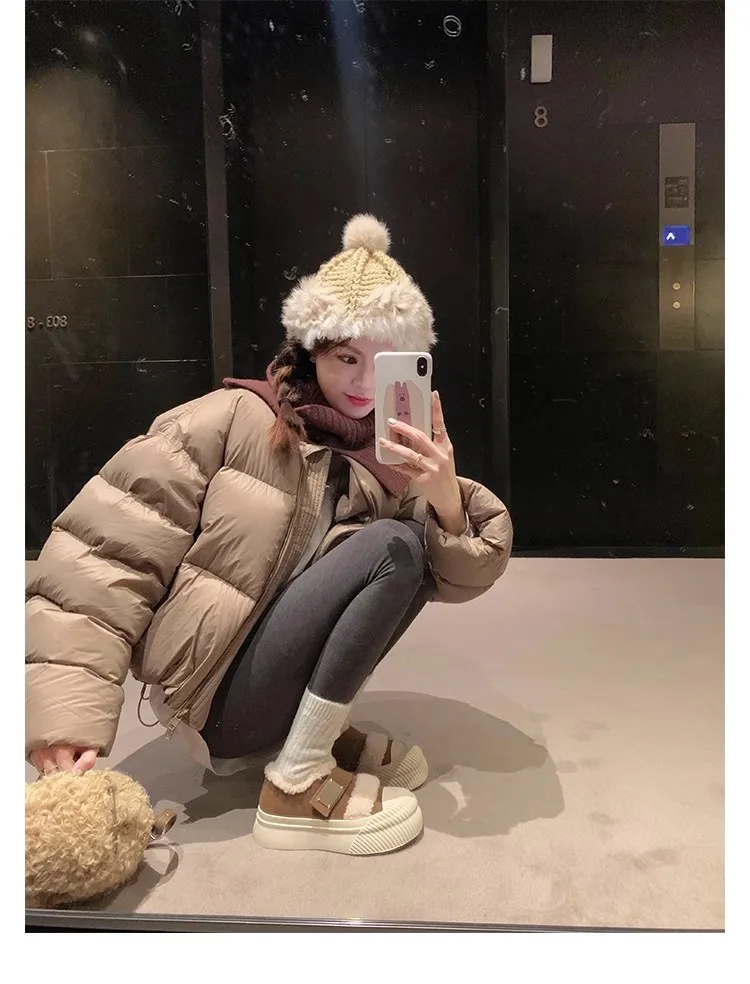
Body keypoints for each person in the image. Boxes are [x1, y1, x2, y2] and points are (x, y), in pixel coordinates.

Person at [26, 215, 513, 856]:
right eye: (346, 358)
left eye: (384, 365)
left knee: (409, 548)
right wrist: (65, 718)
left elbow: (456, 578)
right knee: (393, 546)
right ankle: (295, 782)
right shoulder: (231, 418)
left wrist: (446, 496)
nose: (364, 385)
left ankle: (307, 735)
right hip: (210, 698)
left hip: (263, 685)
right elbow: (102, 555)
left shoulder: (388, 461)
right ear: (311, 350)